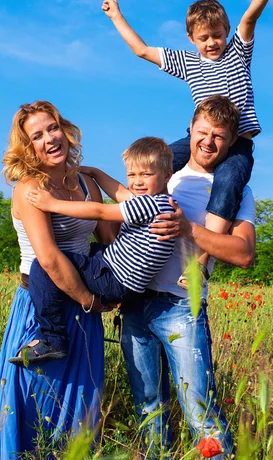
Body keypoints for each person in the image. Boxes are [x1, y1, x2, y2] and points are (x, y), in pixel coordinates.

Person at [0, 101, 113, 460]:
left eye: (53, 129)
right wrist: (88, 300)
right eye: (38, 135)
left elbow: (109, 233)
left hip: (84, 312)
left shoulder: (85, 183)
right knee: (32, 402)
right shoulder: (28, 190)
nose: (50, 139)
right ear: (27, 146)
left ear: (65, 129)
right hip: (42, 309)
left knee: (78, 403)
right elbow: (47, 257)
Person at [102, 0, 273, 286]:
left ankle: (203, 258)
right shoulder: (189, 62)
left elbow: (250, 18)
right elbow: (142, 50)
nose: (212, 43)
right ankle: (135, 235)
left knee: (227, 185)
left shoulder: (237, 53)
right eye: (203, 38)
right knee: (158, 161)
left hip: (237, 142)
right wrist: (116, 17)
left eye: (217, 35)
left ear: (226, 31)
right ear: (190, 39)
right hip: (198, 137)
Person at [119, 95, 256, 460]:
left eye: (219, 137)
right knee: (149, 407)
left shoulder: (234, 191)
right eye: (202, 133)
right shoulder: (165, 174)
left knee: (201, 414)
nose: (208, 142)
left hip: (182, 307)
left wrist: (188, 230)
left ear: (230, 142)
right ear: (190, 131)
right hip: (136, 305)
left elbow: (244, 254)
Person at [11, 137, 176, 365]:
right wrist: (97, 173)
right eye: (132, 175)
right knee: (93, 250)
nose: (137, 182)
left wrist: (52, 204)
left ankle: (53, 338)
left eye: (146, 175)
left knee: (42, 266)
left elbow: (99, 211)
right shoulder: (162, 202)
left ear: (167, 175)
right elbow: (119, 192)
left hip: (114, 277)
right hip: (124, 278)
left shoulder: (147, 205)